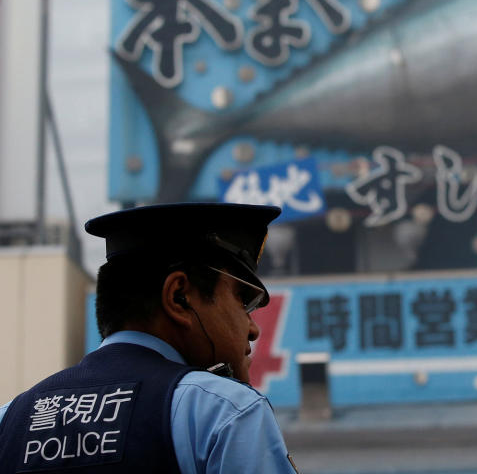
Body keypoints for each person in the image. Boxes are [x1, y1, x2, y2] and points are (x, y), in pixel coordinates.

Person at [0, 202, 299, 473]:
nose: (253, 328)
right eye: (242, 301)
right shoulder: (225, 412)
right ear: (179, 296)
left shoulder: (9, 419)